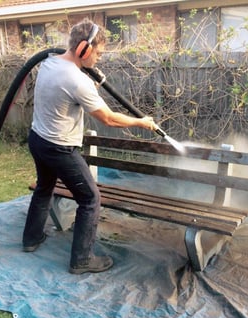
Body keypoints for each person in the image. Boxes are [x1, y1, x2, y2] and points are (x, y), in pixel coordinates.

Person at [22, 18, 157, 274]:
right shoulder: (77, 80)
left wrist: (89, 85)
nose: (99, 59)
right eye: (99, 53)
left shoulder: (49, 63)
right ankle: (82, 259)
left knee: (44, 188)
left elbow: (64, 95)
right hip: (59, 148)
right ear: (84, 49)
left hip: (38, 140)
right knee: (90, 198)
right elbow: (108, 118)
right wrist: (141, 122)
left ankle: (31, 239)